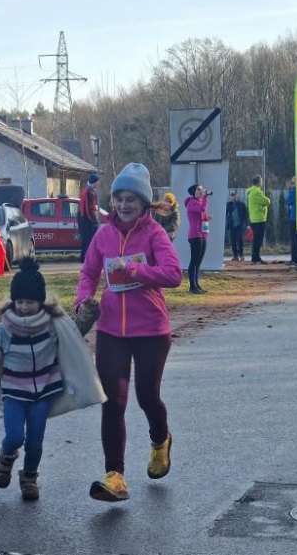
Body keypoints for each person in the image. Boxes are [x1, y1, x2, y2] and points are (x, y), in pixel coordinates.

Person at [0, 257, 106, 501]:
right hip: (14, 393)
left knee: (35, 442)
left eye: (30, 302)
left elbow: (74, 335)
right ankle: (5, 457)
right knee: (15, 437)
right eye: (20, 301)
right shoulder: (3, 331)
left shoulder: (53, 325)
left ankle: (29, 478)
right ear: (13, 301)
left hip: (43, 394)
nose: (24, 307)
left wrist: (87, 315)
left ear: (41, 301)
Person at [75, 162, 183, 502]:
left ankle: (160, 440)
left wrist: (134, 269)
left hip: (151, 329)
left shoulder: (155, 234)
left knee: (147, 397)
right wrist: (82, 301)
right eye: (118, 198)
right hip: (110, 329)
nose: (123, 205)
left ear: (143, 202)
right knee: (113, 402)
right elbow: (88, 273)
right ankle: (115, 476)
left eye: (130, 199)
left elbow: (173, 274)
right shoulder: (103, 235)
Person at [184, 184, 211, 293]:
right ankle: (192, 286)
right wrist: (206, 197)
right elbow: (202, 208)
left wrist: (207, 218)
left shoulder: (199, 202)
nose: (201, 191)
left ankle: (196, 284)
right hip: (195, 235)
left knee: (198, 262)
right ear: (193, 192)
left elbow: (201, 217)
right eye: (198, 189)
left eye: (202, 189)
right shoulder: (192, 202)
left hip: (202, 234)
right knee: (194, 261)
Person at [247, 175, 271, 264]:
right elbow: (267, 201)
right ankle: (255, 258)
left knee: (256, 239)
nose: (262, 183)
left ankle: (256, 258)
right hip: (259, 219)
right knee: (258, 240)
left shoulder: (251, 191)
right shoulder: (257, 192)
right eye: (261, 181)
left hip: (254, 218)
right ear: (259, 182)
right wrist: (264, 206)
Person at [78, 174, 100, 262]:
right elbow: (89, 208)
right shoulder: (90, 192)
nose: (98, 183)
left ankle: (83, 258)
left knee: (85, 240)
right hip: (87, 219)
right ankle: (88, 259)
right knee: (89, 240)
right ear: (94, 182)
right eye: (97, 181)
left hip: (83, 217)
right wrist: (94, 220)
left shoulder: (85, 190)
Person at [225, 191, 248, 261]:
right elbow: (225, 213)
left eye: (235, 197)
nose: (233, 199)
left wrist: (246, 224)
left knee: (240, 240)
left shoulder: (242, 204)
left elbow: (246, 215)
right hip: (231, 225)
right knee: (232, 241)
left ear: (237, 197)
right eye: (232, 197)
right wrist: (228, 219)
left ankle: (241, 255)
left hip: (240, 225)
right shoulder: (228, 204)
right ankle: (235, 256)